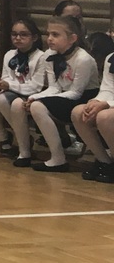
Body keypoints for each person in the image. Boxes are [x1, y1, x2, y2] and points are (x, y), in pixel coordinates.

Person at [22, 14, 98, 172]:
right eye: (48, 34)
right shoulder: (50, 55)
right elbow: (54, 87)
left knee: (38, 106)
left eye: (55, 35)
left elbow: (76, 93)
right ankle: (40, 154)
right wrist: (34, 97)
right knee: (31, 104)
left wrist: (43, 100)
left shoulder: (83, 59)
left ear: (72, 38)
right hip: (63, 95)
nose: (49, 38)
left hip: (85, 98)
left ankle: (58, 158)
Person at [0, 17, 46, 156]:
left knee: (0, 98)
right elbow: (6, 77)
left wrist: (8, 85)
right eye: (14, 34)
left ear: (34, 37)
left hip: (30, 94)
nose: (18, 38)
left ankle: (22, 135)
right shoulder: (10, 54)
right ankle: (4, 137)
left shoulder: (41, 57)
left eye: (23, 34)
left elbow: (36, 86)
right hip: (10, 91)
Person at [71, 51, 114, 183]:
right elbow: (108, 89)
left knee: (105, 117)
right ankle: (104, 161)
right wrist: (96, 101)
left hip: (111, 105)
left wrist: (107, 104)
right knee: (79, 112)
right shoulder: (111, 57)